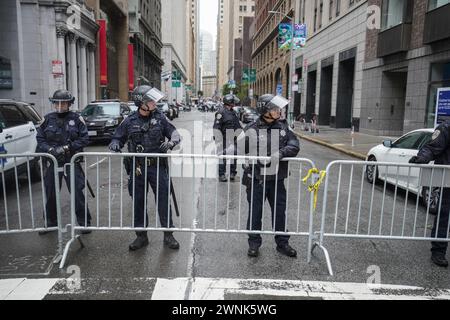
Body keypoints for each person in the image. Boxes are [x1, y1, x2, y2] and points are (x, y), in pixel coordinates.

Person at [109, 86, 181, 251]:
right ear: (141, 103)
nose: (154, 103)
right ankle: (141, 236)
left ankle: (168, 235)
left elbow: (175, 133)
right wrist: (114, 144)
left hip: (158, 167)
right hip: (138, 168)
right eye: (150, 100)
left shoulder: (160, 117)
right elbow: (117, 138)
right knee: (139, 201)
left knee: (163, 200)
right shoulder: (129, 120)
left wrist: (171, 142)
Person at [238, 94, 300, 258]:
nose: (278, 111)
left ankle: (282, 243)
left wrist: (280, 153)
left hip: (277, 179)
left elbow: (294, 145)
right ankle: (253, 244)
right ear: (265, 110)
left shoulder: (283, 127)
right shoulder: (251, 128)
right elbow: (239, 147)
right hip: (257, 179)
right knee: (255, 213)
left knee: (280, 212)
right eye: (274, 108)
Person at [36, 90, 92, 235]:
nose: (60, 105)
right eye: (57, 102)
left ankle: (84, 222)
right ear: (53, 103)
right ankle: (50, 222)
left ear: (69, 103)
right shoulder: (47, 119)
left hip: (71, 161)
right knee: (50, 193)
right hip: (53, 162)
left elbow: (85, 139)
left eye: (64, 103)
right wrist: (50, 149)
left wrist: (68, 147)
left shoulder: (77, 119)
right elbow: (40, 140)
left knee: (76, 193)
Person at [410, 121, 450, 267]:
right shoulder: (446, 127)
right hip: (448, 181)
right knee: (445, 216)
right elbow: (432, 147)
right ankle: (438, 251)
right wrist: (422, 158)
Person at [213, 93, 243, 182]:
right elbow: (216, 127)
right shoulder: (220, 112)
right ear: (229, 102)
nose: (234, 103)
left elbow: (237, 124)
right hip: (223, 138)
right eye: (233, 102)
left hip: (233, 138)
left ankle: (233, 173)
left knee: (234, 156)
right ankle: (222, 174)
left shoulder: (233, 112)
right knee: (223, 157)